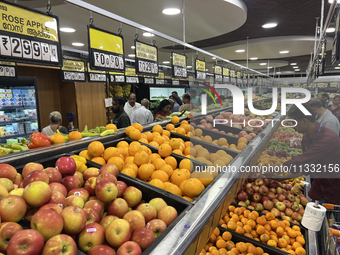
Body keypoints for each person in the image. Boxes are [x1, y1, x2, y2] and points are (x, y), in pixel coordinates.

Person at [263, 103, 340, 205]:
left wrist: (269, 168)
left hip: (335, 189)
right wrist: (282, 178)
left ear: (304, 121)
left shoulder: (327, 138)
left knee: (333, 218)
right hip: (320, 186)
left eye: (294, 122)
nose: (291, 125)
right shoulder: (306, 137)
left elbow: (302, 160)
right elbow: (306, 166)